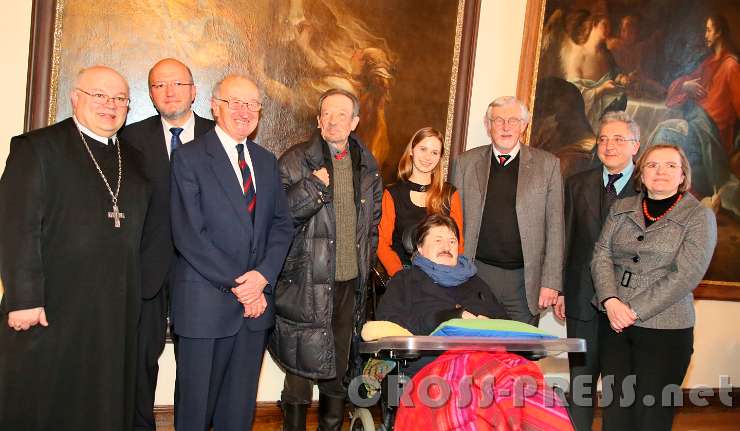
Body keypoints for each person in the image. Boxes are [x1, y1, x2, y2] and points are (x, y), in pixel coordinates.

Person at [0, 66, 151, 430]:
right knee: (44, 400)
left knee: (103, 402)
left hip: (113, 312)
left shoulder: (134, 161)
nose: (110, 105)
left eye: (119, 99)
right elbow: (15, 225)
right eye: (99, 95)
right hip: (51, 306)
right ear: (75, 97)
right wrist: (23, 298)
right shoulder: (37, 148)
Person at [169, 75, 294, 431]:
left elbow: (282, 226)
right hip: (206, 306)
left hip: (254, 312)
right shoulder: (189, 157)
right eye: (234, 102)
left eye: (251, 104)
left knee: (238, 414)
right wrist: (243, 286)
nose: (243, 111)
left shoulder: (266, 161)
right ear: (215, 105)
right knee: (195, 412)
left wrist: (262, 277)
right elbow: (189, 235)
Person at [271, 88, 382, 431]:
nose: (333, 121)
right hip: (305, 282)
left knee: (339, 364)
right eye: (327, 114)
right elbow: (278, 218)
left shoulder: (367, 165)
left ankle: (331, 426)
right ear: (319, 121)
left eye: (341, 114)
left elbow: (372, 226)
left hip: (349, 283)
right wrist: (313, 189)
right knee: (300, 369)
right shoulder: (295, 160)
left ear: (355, 122)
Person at [592, 144, 717, 431]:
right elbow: (601, 254)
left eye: (670, 166)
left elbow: (686, 275)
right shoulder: (622, 208)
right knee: (616, 412)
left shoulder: (699, 217)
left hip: (665, 330)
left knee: (652, 415)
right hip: (614, 325)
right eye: (652, 165)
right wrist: (610, 300)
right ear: (641, 174)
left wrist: (633, 310)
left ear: (683, 175)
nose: (660, 171)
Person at [119, 57, 214, 431]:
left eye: (177, 84)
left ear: (193, 91)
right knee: (140, 358)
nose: (169, 91)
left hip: (204, 269)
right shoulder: (130, 138)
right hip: (146, 266)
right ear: (151, 95)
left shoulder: (217, 136)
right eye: (159, 85)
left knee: (197, 361)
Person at [558, 111, 640, 431]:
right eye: (603, 139)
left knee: (621, 389)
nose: (609, 146)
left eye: (618, 139)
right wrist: (562, 289)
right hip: (581, 300)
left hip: (628, 305)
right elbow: (566, 239)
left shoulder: (647, 189)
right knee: (581, 384)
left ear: (635, 146)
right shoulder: (577, 184)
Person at [451, 96, 564, 326]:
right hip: (477, 274)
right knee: (475, 350)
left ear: (524, 125)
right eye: (498, 120)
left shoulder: (548, 165)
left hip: (524, 280)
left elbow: (555, 226)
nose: (505, 126)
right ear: (487, 125)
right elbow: (453, 224)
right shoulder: (465, 163)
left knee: (519, 355)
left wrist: (551, 281)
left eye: (513, 120)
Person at [376, 214, 507, 335]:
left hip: (483, 355)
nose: (446, 247)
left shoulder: (475, 282)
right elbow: (387, 323)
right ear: (420, 248)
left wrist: (491, 325)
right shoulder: (404, 281)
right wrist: (445, 318)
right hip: (430, 355)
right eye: (438, 240)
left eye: (452, 241)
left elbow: (506, 323)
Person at [664, 14, 739, 200]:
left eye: (709, 29)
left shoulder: (731, 66)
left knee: (668, 136)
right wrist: (685, 87)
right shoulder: (708, 64)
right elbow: (672, 96)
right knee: (664, 132)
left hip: (715, 139)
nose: (705, 34)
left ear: (719, 32)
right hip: (697, 129)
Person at [377, 127, 463, 276]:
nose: (428, 157)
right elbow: (382, 242)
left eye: (434, 152)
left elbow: (458, 242)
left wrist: (448, 274)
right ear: (411, 150)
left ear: (440, 157)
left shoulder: (449, 194)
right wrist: (399, 275)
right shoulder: (392, 194)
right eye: (423, 149)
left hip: (442, 278)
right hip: (404, 277)